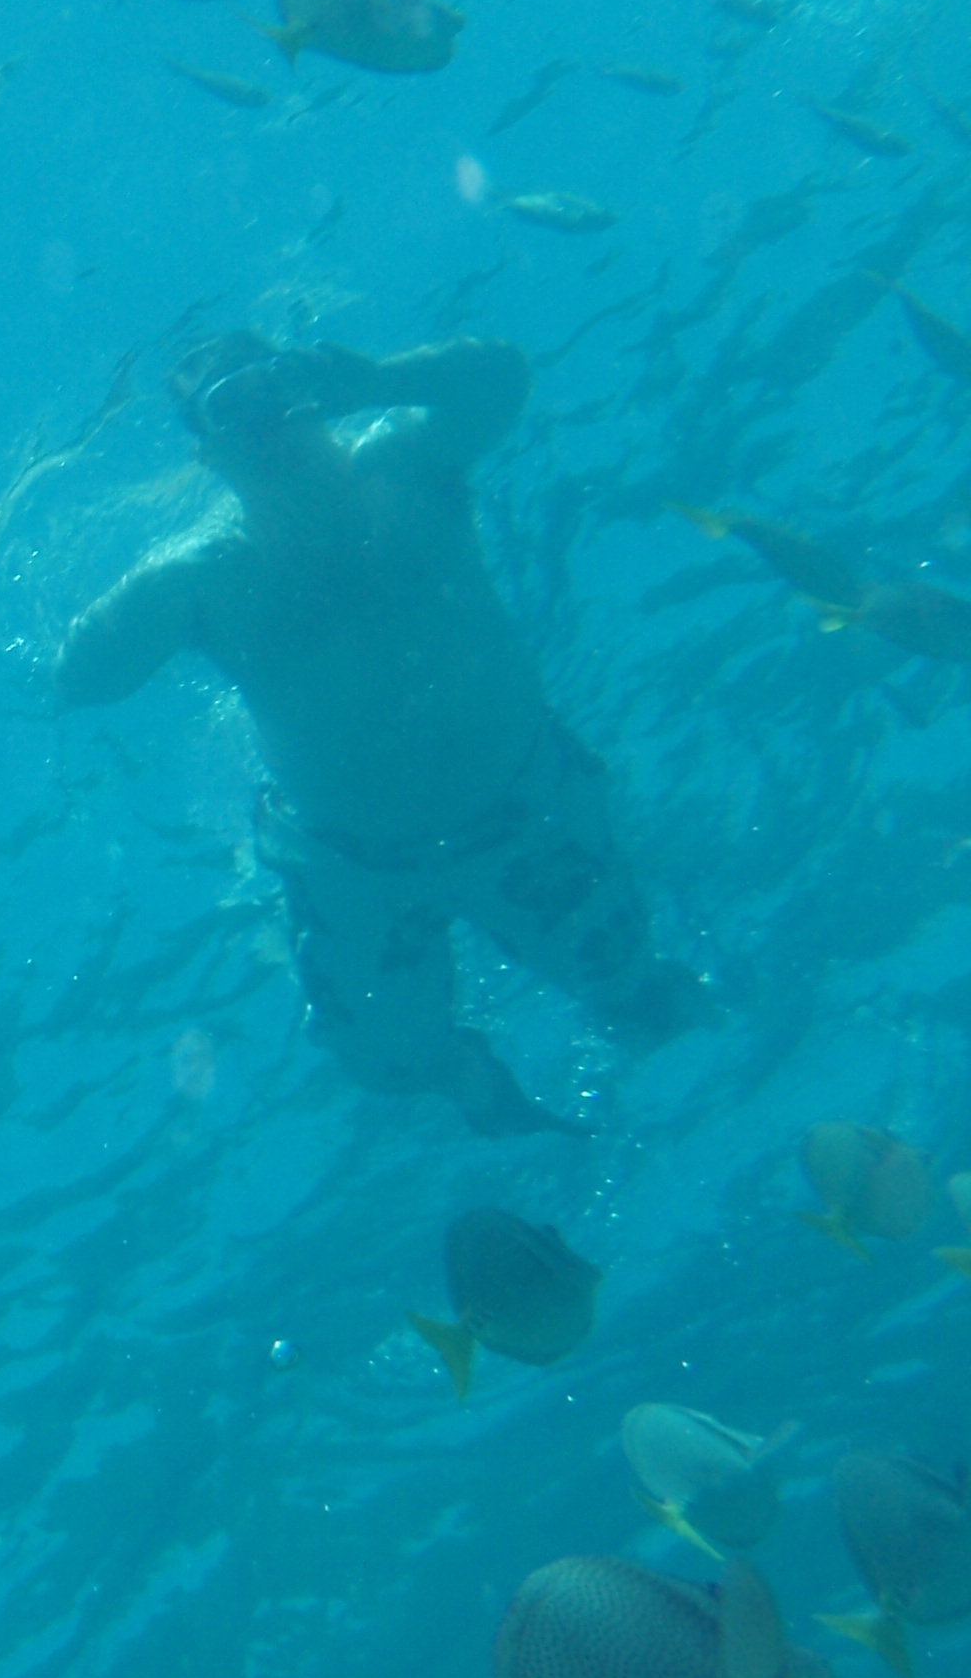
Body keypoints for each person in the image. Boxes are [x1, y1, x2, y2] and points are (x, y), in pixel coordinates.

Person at [55, 332, 704, 1134]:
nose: (261, 421)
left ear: (309, 392)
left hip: (527, 814)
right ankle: (476, 1085)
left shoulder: (404, 467)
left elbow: (506, 374)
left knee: (636, 993)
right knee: (390, 1064)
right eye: (229, 410)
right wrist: (153, 590)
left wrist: (380, 379)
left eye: (269, 390)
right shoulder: (210, 575)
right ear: (208, 456)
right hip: (353, 869)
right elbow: (78, 683)